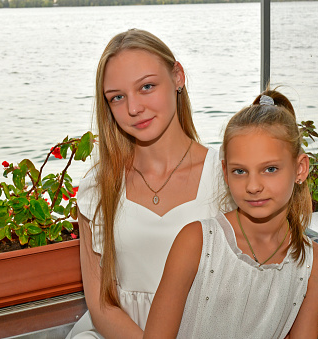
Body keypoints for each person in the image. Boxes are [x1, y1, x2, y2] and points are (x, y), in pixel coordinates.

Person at [67, 29, 232, 339]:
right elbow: (102, 306)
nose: (133, 108)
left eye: (146, 86)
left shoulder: (226, 179)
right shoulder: (98, 187)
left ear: (178, 77)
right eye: (117, 97)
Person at [143, 89, 318, 339]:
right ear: (225, 171)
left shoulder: (313, 264)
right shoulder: (196, 242)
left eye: (270, 169)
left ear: (300, 169)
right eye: (240, 171)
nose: (253, 186)